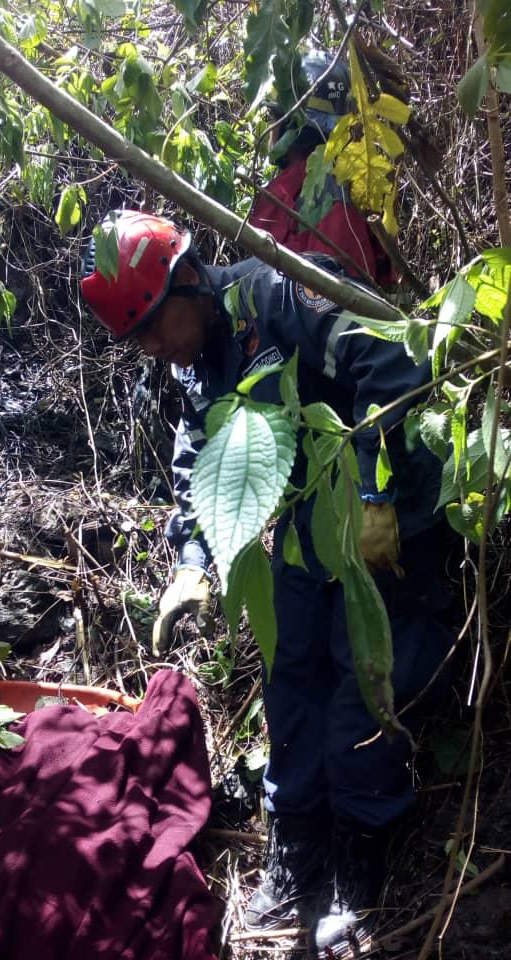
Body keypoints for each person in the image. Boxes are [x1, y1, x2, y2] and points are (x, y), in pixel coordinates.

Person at [80, 210, 453, 958]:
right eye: (139, 340)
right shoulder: (201, 361)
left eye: (155, 327)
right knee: (290, 682)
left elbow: (395, 366)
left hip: (385, 534)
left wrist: (379, 493)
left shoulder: (279, 291)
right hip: (304, 539)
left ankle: (360, 852)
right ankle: (298, 843)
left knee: (361, 692)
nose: (154, 349)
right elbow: (198, 456)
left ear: (190, 279)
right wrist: (192, 557)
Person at [249, 52, 395, 287]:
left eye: (273, 116)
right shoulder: (308, 187)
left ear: (291, 123)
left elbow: (334, 302)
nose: (270, 126)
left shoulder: (328, 197)